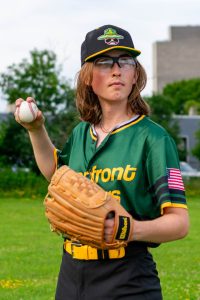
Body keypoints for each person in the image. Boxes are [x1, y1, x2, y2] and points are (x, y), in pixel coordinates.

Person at [15, 24, 189, 300]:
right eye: (105, 62)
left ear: (135, 76)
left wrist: (132, 228)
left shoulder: (154, 139)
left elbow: (179, 223)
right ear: (88, 77)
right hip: (71, 274)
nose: (117, 70)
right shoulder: (81, 133)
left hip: (127, 277)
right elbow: (57, 176)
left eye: (126, 61)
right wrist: (36, 129)